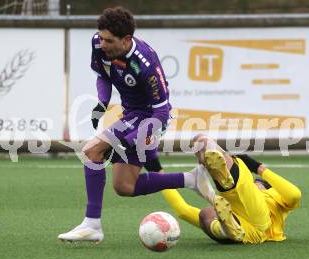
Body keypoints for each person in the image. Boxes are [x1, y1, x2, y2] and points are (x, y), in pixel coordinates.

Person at [58, 7, 202, 243]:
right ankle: (193, 179)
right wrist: (102, 103)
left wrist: (132, 139)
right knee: (124, 186)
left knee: (91, 150)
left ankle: (92, 225)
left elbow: (162, 112)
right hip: (131, 114)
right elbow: (103, 75)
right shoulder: (99, 44)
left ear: (126, 40)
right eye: (101, 38)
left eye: (109, 40)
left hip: (150, 119)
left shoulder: (145, 63)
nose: (102, 44)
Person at [162, 134, 302, 244]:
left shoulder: (274, 199)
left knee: (202, 141)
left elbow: (294, 194)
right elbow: (183, 210)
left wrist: (258, 168)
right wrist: (160, 177)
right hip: (244, 230)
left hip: (260, 219)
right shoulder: (225, 208)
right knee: (205, 215)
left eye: (257, 183)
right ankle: (225, 229)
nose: (255, 184)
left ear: (265, 187)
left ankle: (224, 227)